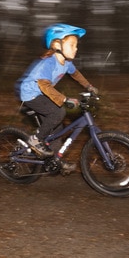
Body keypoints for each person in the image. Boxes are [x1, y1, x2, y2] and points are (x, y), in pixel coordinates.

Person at [16, 23, 98, 158]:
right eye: (72, 45)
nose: (75, 48)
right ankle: (35, 140)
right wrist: (65, 99)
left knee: (56, 128)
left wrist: (88, 86)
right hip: (30, 94)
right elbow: (44, 86)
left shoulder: (67, 63)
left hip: (43, 94)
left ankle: (55, 160)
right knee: (58, 112)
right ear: (57, 45)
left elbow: (75, 74)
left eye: (76, 45)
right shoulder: (48, 63)